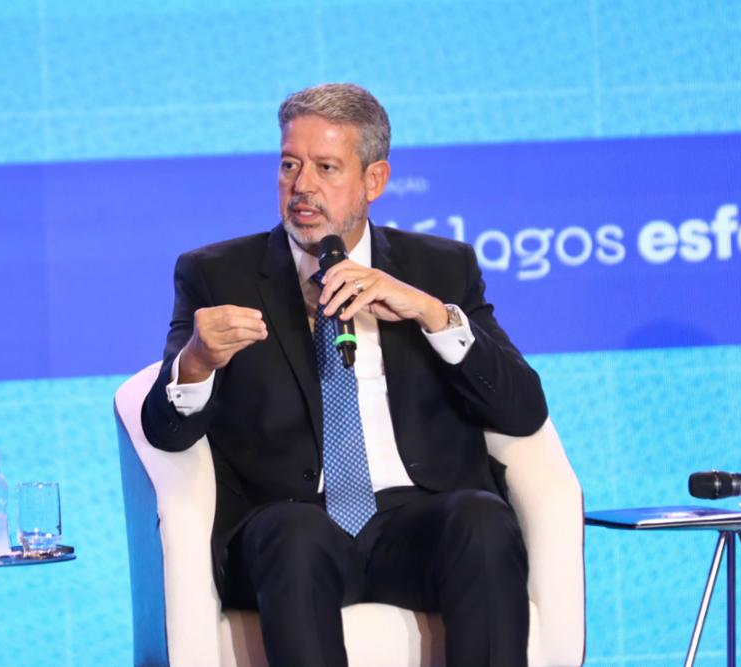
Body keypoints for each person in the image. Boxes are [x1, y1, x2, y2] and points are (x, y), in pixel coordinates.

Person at [142, 82, 548, 667]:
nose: (301, 186)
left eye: (326, 167)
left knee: (482, 519)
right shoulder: (217, 274)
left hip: (416, 525)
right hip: (290, 530)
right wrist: (199, 361)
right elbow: (165, 431)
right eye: (289, 165)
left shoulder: (439, 268)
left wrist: (434, 316)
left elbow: (522, 410)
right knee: (296, 535)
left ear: (374, 181)